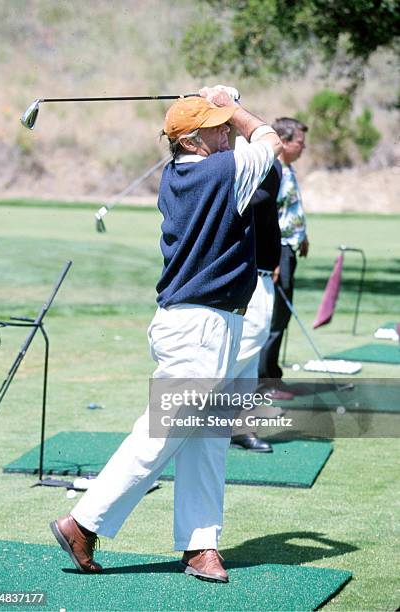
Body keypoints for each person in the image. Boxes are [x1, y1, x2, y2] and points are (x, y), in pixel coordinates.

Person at [49, 85, 282, 584]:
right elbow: (268, 138)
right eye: (218, 127)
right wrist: (235, 104)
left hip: (203, 322)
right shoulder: (221, 171)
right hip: (200, 326)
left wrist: (220, 102)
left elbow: (244, 146)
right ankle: (83, 521)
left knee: (206, 438)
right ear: (196, 139)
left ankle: (201, 545)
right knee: (162, 433)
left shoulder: (179, 172)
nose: (227, 133)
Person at [230, 157, 282, 452]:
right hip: (252, 279)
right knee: (246, 347)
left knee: (249, 360)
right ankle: (195, 410)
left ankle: (241, 426)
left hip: (262, 276)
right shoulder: (255, 185)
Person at [258, 117, 309, 400]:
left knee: (282, 316)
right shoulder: (273, 170)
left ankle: (273, 375)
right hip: (279, 252)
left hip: (290, 247)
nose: (304, 148)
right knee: (274, 317)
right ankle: (264, 382)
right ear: (284, 141)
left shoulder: (288, 170)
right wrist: (274, 258)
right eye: (299, 142)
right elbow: (269, 219)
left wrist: (304, 236)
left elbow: (290, 210)